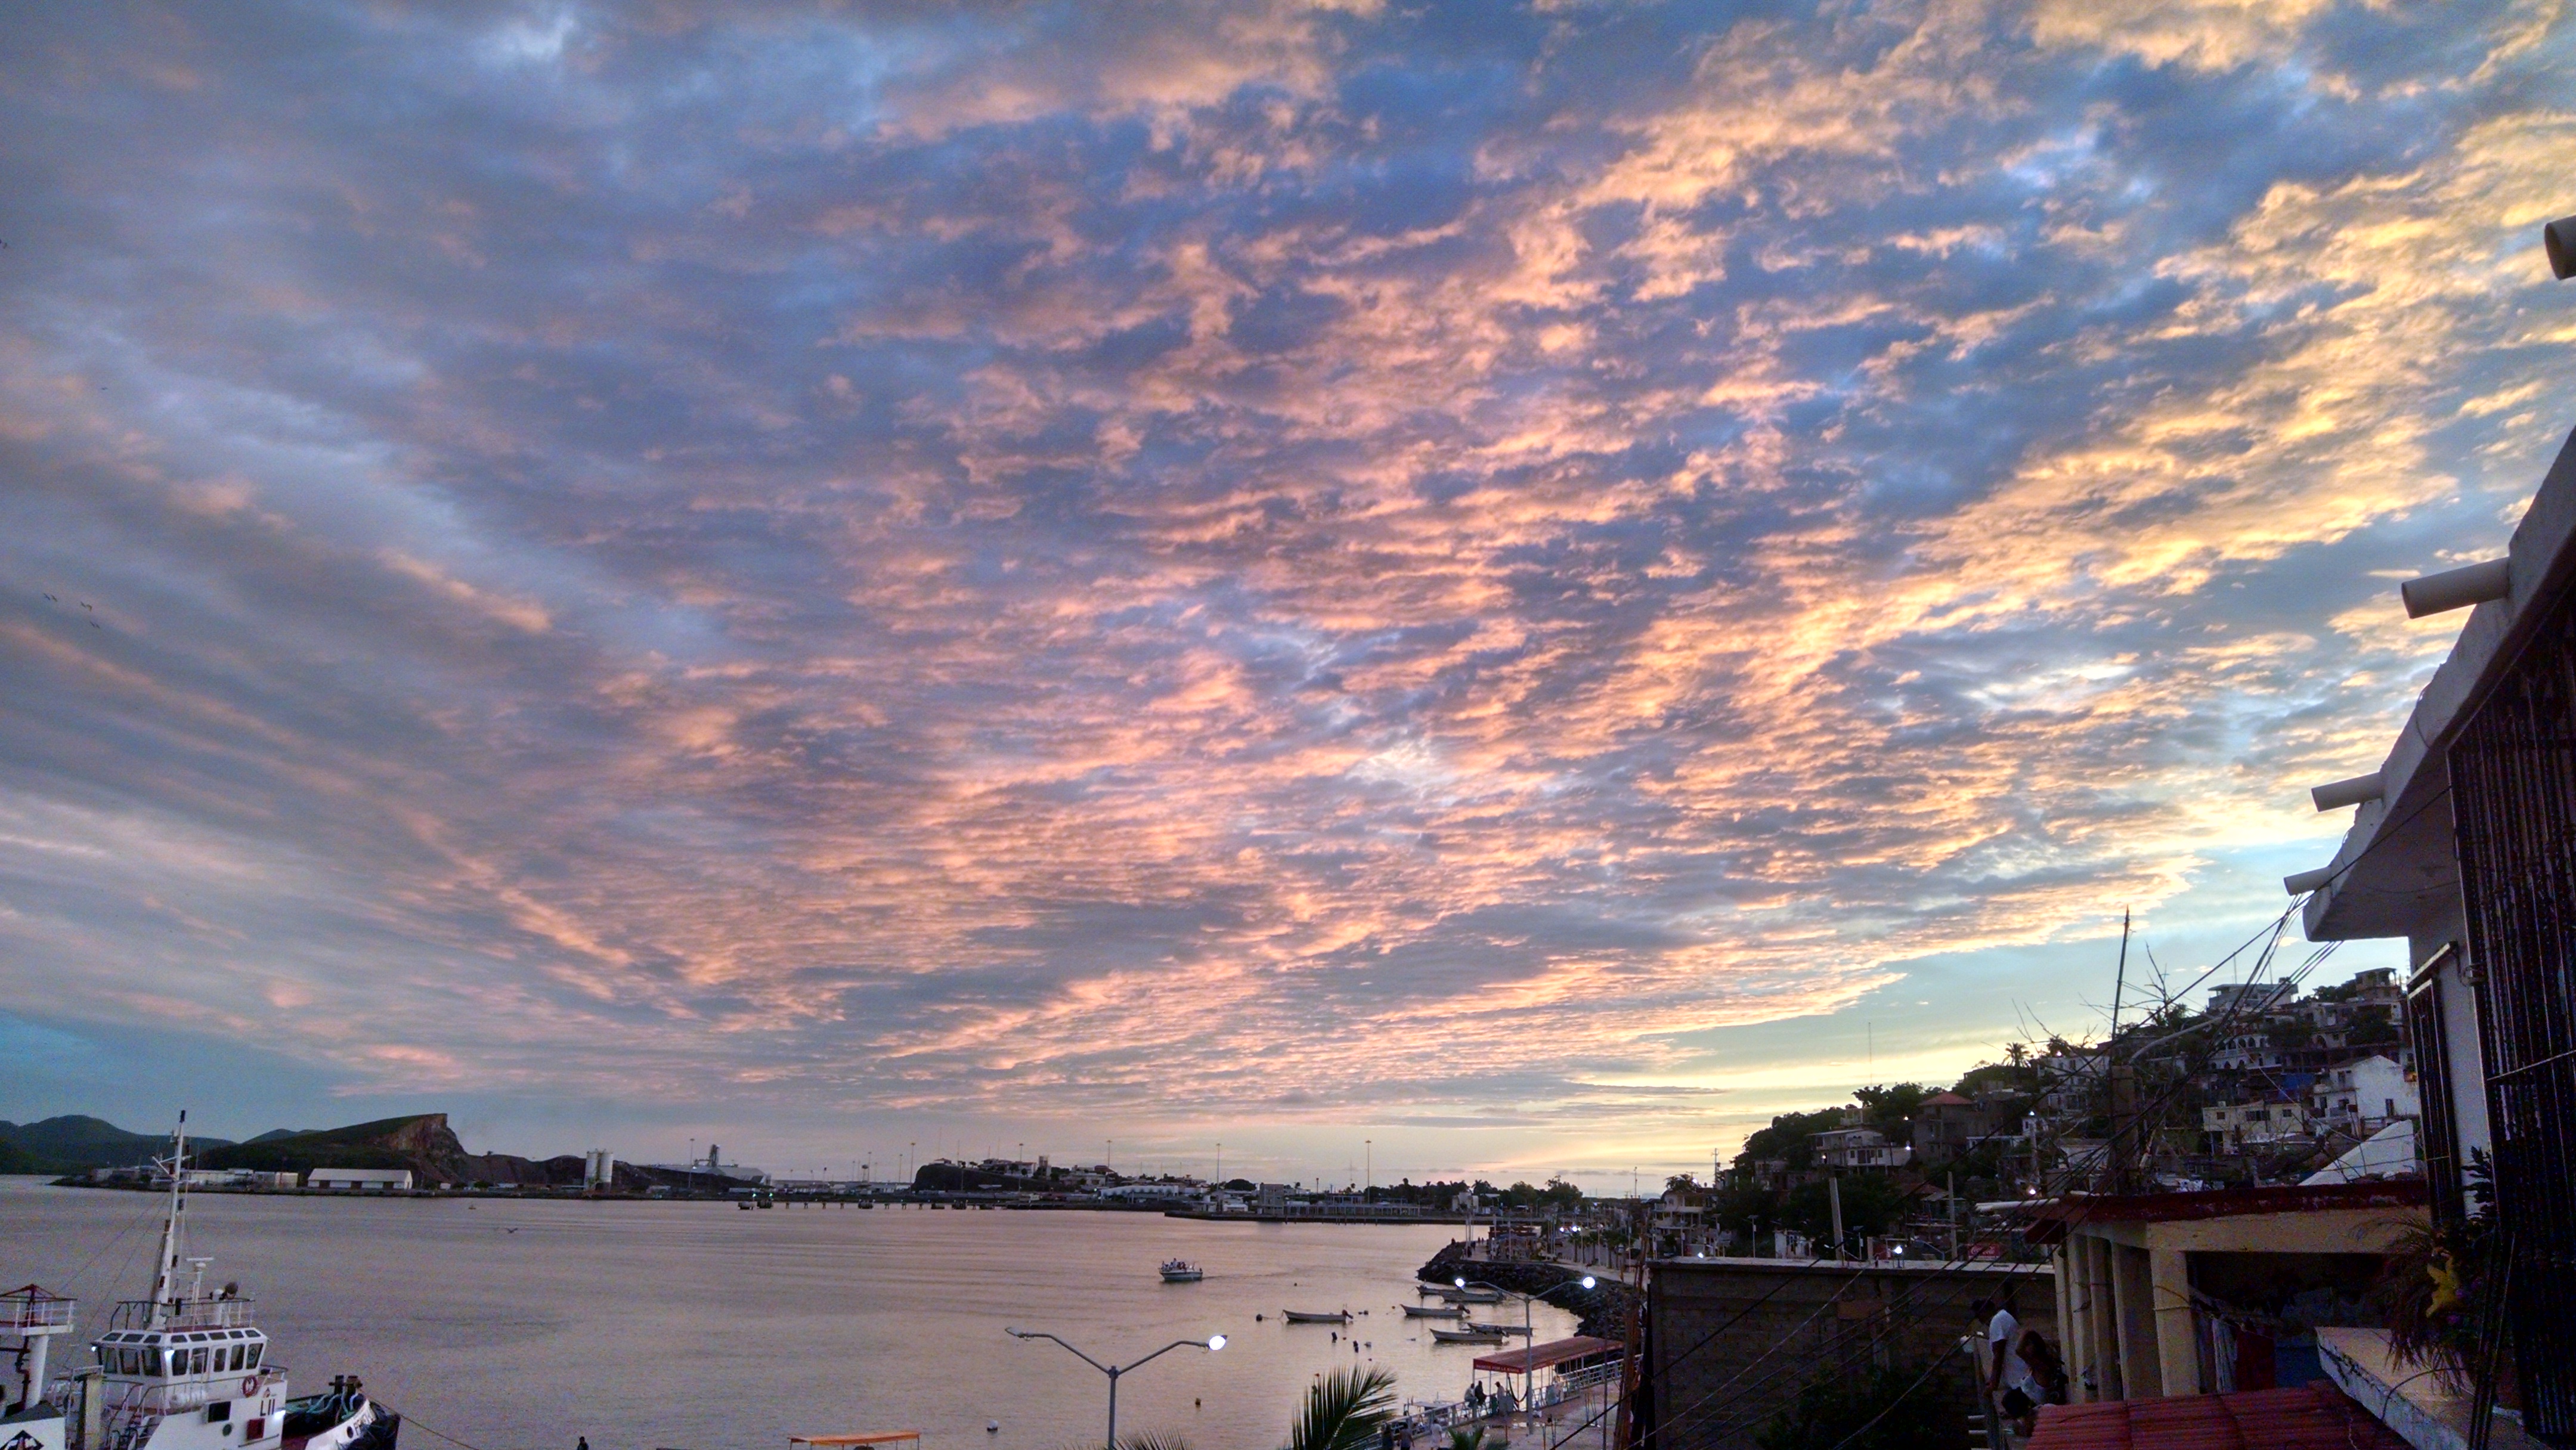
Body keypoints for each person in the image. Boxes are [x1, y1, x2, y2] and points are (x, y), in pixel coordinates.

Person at [1974, 1294, 2042, 1436]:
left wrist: (1993, 1385)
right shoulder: (2004, 1318)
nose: (1982, 1321)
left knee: (2009, 1401)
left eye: (1980, 1317)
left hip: (2023, 1380)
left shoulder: (1998, 1320)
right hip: (2020, 1380)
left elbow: (1998, 1356)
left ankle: (2026, 1424)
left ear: (1985, 1312)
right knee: (2010, 1402)